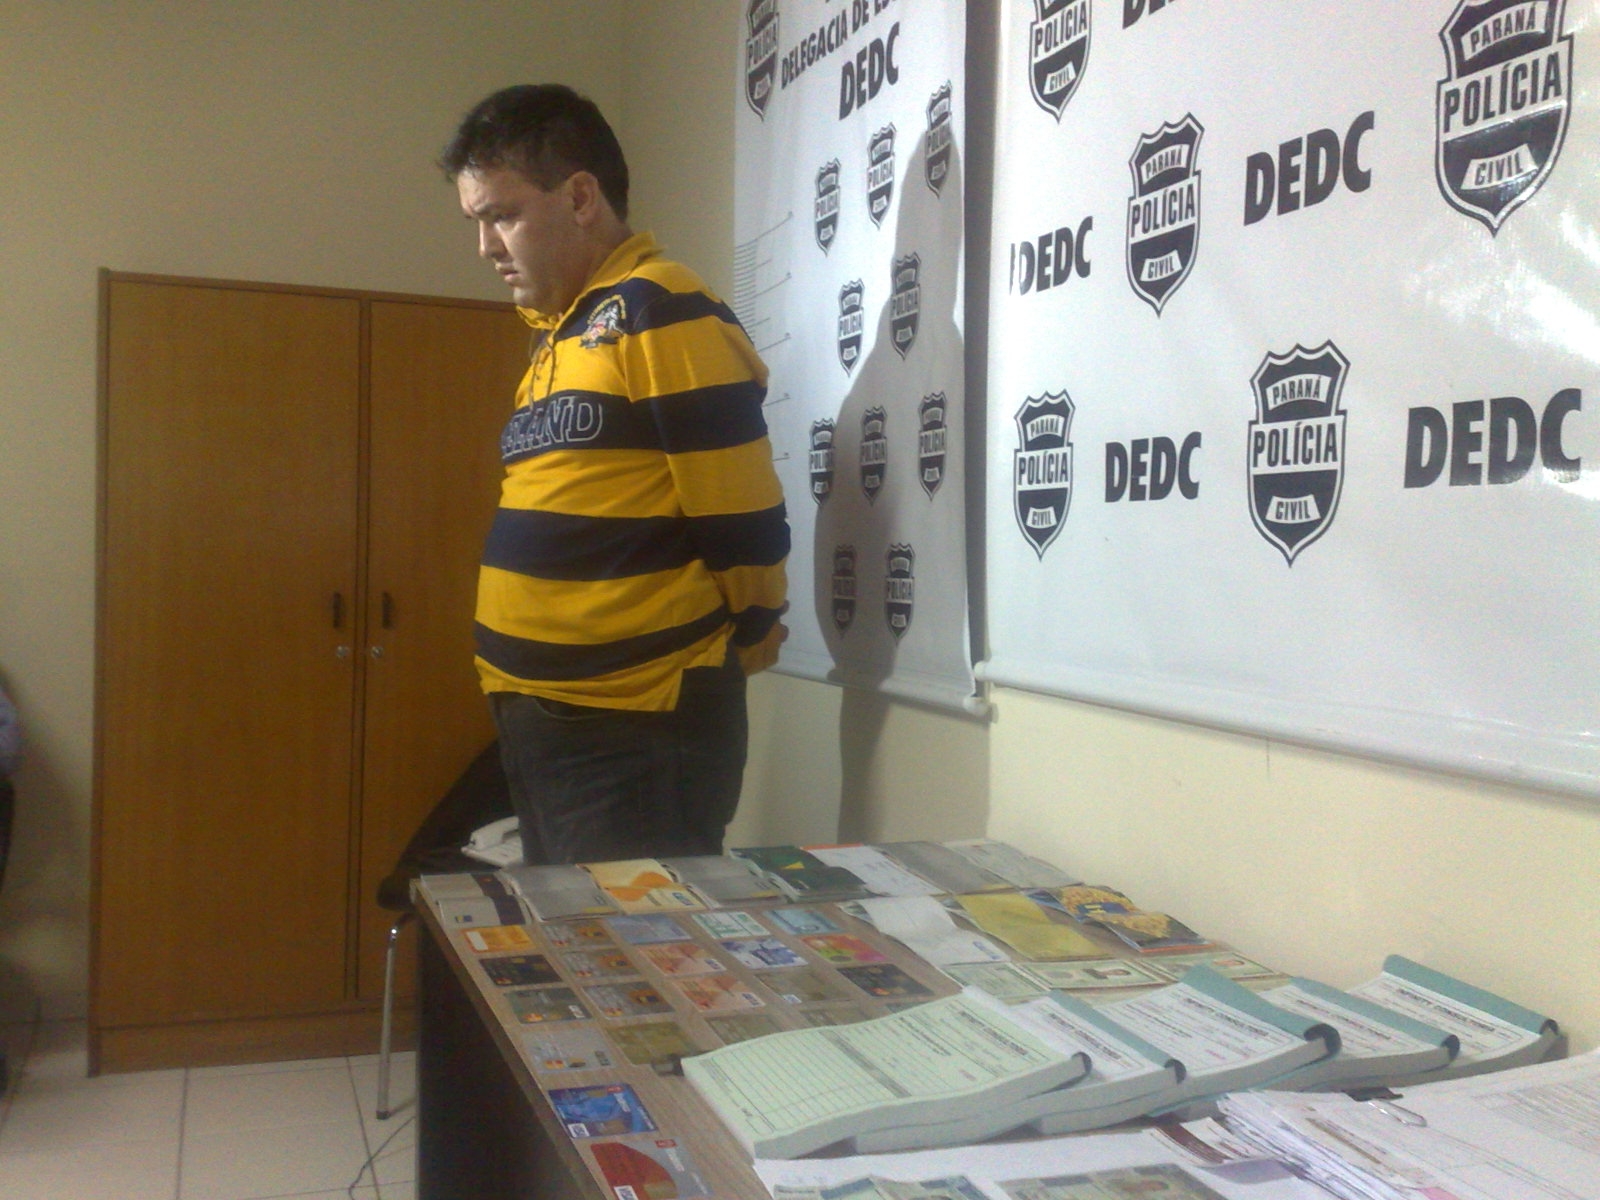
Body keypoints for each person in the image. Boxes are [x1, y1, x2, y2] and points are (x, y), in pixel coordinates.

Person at [441, 84, 789, 866]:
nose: (486, 247)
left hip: (634, 724)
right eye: (476, 223)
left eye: (502, 215)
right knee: (578, 936)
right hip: (543, 714)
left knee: (635, 940)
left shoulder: (660, 306)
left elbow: (740, 512)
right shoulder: (561, 333)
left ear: (580, 197)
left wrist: (754, 628)